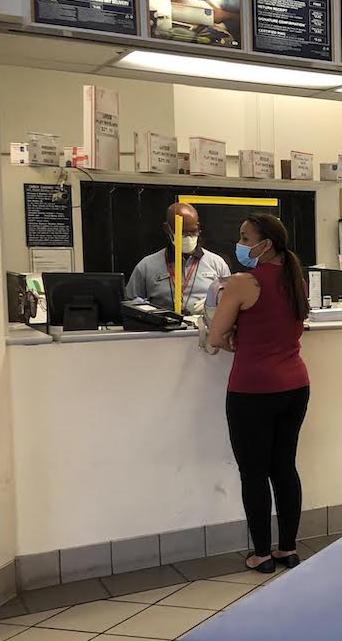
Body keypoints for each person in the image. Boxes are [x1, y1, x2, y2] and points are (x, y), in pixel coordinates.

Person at [209, 214, 311, 574]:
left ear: (264, 244)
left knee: (253, 472)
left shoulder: (241, 282)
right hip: (295, 387)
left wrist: (233, 338)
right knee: (284, 467)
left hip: (252, 389)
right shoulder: (296, 279)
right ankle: (288, 550)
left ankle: (261, 555)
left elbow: (215, 336)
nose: (240, 243)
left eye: (244, 237)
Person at [125, 202, 231, 314]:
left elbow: (231, 302)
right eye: (183, 233)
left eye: (193, 232)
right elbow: (129, 303)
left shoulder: (217, 264)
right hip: (163, 328)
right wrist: (145, 309)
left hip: (204, 328)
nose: (189, 237)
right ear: (167, 229)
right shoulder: (147, 266)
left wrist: (214, 302)